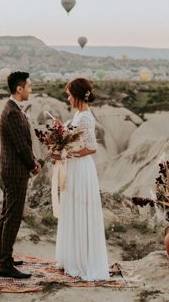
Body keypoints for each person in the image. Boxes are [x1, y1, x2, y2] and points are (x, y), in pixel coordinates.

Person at [54, 77, 110, 281]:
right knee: (72, 209)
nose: (67, 98)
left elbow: (92, 147)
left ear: (77, 96)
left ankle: (83, 262)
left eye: (69, 94)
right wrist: (62, 134)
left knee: (80, 210)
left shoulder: (86, 117)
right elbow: (74, 138)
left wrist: (68, 152)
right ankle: (72, 258)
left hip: (81, 169)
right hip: (73, 168)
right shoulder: (78, 114)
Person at [0, 71, 41, 278]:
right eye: (29, 86)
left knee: (6, 215)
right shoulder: (12, 112)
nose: (31, 89)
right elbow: (21, 146)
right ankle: (5, 264)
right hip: (15, 171)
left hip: (12, 169)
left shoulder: (13, 108)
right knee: (13, 217)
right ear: (19, 89)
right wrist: (33, 165)